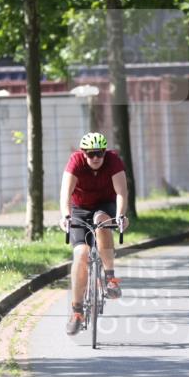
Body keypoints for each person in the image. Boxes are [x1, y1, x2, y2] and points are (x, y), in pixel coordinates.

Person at [59, 132, 129, 335]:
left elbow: (121, 193)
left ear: (105, 152)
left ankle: (110, 277)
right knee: (80, 254)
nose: (95, 158)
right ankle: (77, 311)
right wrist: (65, 215)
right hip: (79, 209)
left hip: (104, 206)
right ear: (83, 154)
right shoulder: (75, 162)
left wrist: (120, 216)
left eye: (99, 153)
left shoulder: (113, 161)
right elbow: (65, 193)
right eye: (90, 154)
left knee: (103, 222)